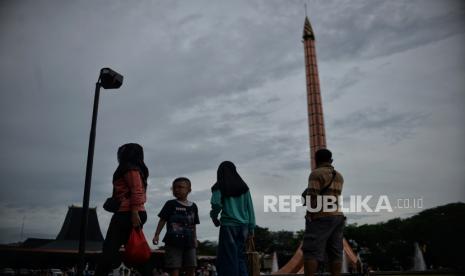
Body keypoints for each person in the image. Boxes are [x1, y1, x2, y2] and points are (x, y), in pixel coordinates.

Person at [95, 143, 151, 276]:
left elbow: (136, 190)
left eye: (122, 152)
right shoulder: (138, 169)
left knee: (109, 250)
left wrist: (134, 212)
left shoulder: (129, 168)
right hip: (132, 212)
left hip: (128, 212)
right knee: (135, 248)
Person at [302, 149, 345, 276]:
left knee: (311, 251)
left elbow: (312, 196)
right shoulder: (339, 176)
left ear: (316, 160)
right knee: (336, 252)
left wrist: (309, 214)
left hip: (321, 216)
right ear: (331, 160)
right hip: (338, 216)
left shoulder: (315, 174)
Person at [210, 161, 255, 276]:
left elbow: (216, 204)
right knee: (240, 257)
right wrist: (251, 228)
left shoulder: (219, 186)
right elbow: (250, 208)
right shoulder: (244, 188)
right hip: (243, 227)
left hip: (229, 225)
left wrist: (214, 217)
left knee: (229, 258)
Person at [152, 177, 200, 276]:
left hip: (189, 242)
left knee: (191, 267)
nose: (177, 190)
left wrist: (195, 238)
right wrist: (157, 234)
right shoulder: (170, 204)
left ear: (189, 190)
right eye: (174, 188)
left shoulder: (193, 206)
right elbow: (162, 220)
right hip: (173, 241)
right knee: (174, 267)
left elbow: (193, 224)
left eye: (180, 187)